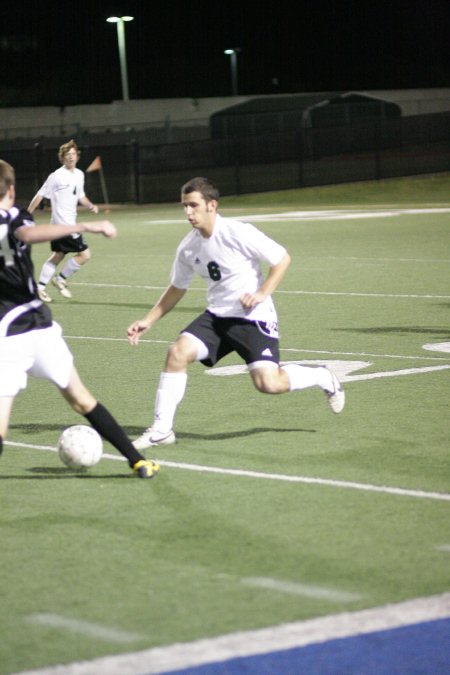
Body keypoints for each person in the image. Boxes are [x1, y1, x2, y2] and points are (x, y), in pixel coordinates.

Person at [127, 176, 345, 450]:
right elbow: (176, 288)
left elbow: (281, 258)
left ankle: (322, 376)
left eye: (193, 205)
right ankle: (162, 430)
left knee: (269, 384)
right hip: (217, 318)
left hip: (253, 318)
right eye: (184, 206)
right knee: (176, 353)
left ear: (212, 205)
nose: (188, 212)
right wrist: (148, 320)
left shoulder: (238, 232)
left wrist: (262, 293)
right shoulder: (188, 247)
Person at [0, 159, 159, 478]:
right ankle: (137, 460)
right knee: (82, 399)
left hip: (8, 333)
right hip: (37, 326)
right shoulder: (14, 215)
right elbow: (29, 234)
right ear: (12, 189)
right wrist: (83, 226)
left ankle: (137, 459)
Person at [27, 139, 98, 303]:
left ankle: (40, 288)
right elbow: (40, 195)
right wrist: (27, 214)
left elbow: (81, 196)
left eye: (73, 154)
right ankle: (60, 279)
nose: (71, 157)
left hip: (65, 224)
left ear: (77, 156)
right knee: (85, 255)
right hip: (64, 225)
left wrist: (90, 205)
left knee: (58, 255)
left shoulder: (79, 174)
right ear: (62, 158)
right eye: (68, 155)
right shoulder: (56, 176)